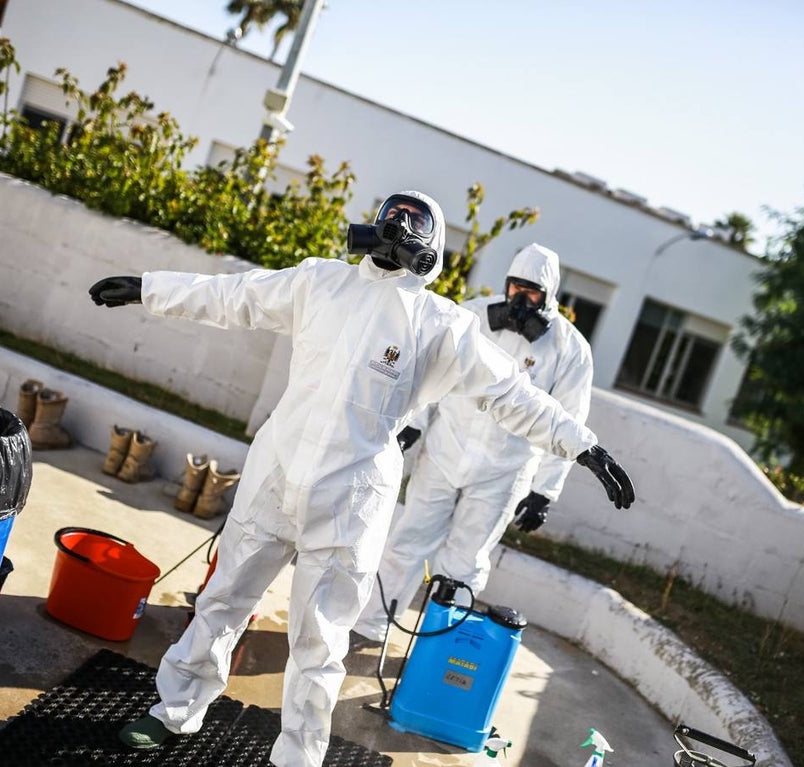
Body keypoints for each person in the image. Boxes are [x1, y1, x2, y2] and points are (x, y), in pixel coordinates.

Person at [86, 191, 634, 767]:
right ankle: (175, 709)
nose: (397, 226)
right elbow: (233, 296)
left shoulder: (442, 323)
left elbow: (511, 394)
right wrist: (149, 288)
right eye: (391, 216)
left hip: (351, 498)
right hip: (276, 474)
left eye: (412, 223)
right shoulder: (318, 281)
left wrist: (584, 448)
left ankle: (297, 756)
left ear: (431, 245)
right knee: (222, 598)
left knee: (321, 640)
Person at [351, 242, 593, 646]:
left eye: (532, 291)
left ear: (549, 296)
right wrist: (415, 422)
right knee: (407, 542)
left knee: (465, 562)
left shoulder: (570, 350)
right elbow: (431, 367)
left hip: (504, 471)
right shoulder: (473, 314)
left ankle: (435, 646)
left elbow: (569, 420)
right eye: (516, 286)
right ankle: (371, 626)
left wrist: (544, 492)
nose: (521, 297)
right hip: (445, 451)